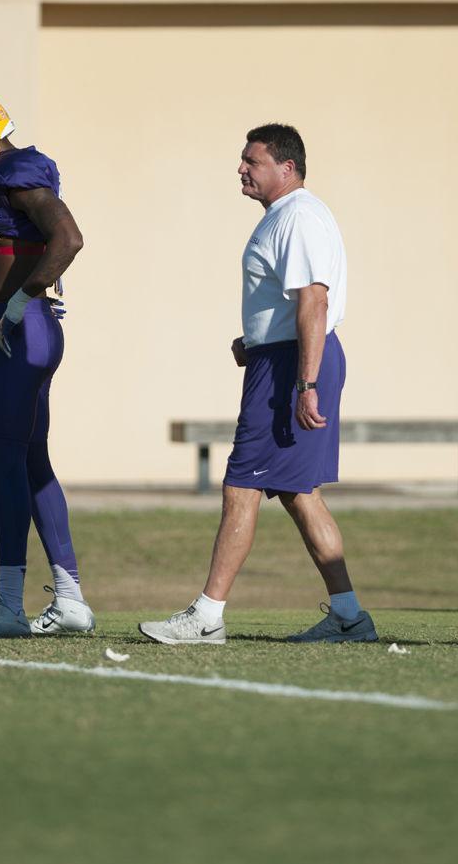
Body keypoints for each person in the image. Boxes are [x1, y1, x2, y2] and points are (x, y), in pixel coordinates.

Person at [140, 123, 377, 645]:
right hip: (282, 358)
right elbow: (291, 303)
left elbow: (314, 300)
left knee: (241, 485)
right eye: (242, 160)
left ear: (286, 168)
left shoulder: (297, 216)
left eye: (253, 161)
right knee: (298, 494)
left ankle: (206, 617)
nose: (242, 169)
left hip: (295, 366)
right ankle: (349, 616)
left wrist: (304, 382)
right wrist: (257, 340)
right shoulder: (287, 217)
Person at [0, 92, 95, 639]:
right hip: (23, 329)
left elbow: (69, 237)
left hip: (20, 331)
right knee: (32, 463)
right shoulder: (12, 175)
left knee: (4, 462)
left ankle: (11, 603)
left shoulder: (15, 170)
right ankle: (71, 599)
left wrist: (19, 300)